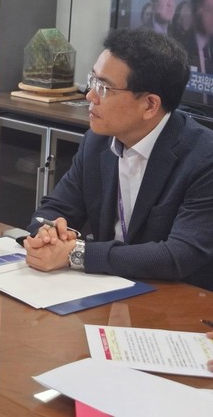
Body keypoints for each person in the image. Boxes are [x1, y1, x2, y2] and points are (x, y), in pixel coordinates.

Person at [23, 28, 213, 292]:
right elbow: (55, 208)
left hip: (178, 299)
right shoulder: (96, 141)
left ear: (150, 105)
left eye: (104, 88)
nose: (90, 96)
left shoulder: (204, 158)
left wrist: (76, 254)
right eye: (92, 80)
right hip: (109, 289)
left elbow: (179, 254)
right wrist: (46, 234)